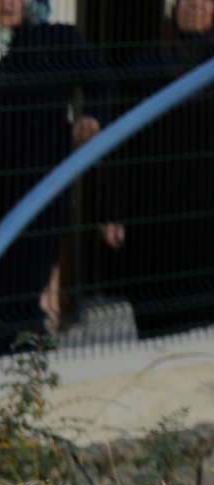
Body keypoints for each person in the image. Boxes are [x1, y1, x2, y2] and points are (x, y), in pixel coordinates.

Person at [0, 0, 121, 359]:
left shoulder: (59, 39)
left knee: (24, 293)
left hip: (43, 188)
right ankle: (13, 368)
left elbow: (103, 84)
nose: (7, 3)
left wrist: (92, 118)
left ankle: (13, 364)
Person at [110, 0, 214, 339]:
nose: (195, 6)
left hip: (206, 212)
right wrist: (114, 209)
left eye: (204, 0)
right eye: (187, 0)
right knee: (157, 315)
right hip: (153, 210)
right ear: (173, 8)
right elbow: (120, 144)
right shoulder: (144, 65)